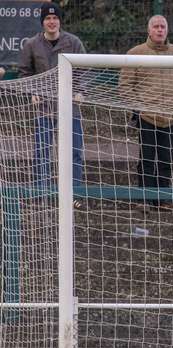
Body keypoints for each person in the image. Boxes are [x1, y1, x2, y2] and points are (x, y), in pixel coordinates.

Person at [119, 15, 173, 208]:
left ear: (167, 30)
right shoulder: (136, 53)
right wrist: (138, 107)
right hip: (147, 116)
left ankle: (162, 200)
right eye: (156, 26)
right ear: (149, 30)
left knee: (167, 159)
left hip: (172, 116)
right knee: (147, 158)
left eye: (163, 27)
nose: (160, 30)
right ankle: (144, 199)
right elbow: (125, 85)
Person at [18, 3, 86, 207]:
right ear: (42, 22)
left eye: (55, 18)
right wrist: (32, 92)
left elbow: (84, 69)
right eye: (47, 18)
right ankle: (41, 194)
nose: (51, 21)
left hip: (70, 109)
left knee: (74, 152)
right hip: (44, 109)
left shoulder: (73, 42)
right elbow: (24, 72)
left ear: (60, 21)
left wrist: (79, 90)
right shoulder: (31, 44)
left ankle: (75, 196)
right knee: (42, 151)